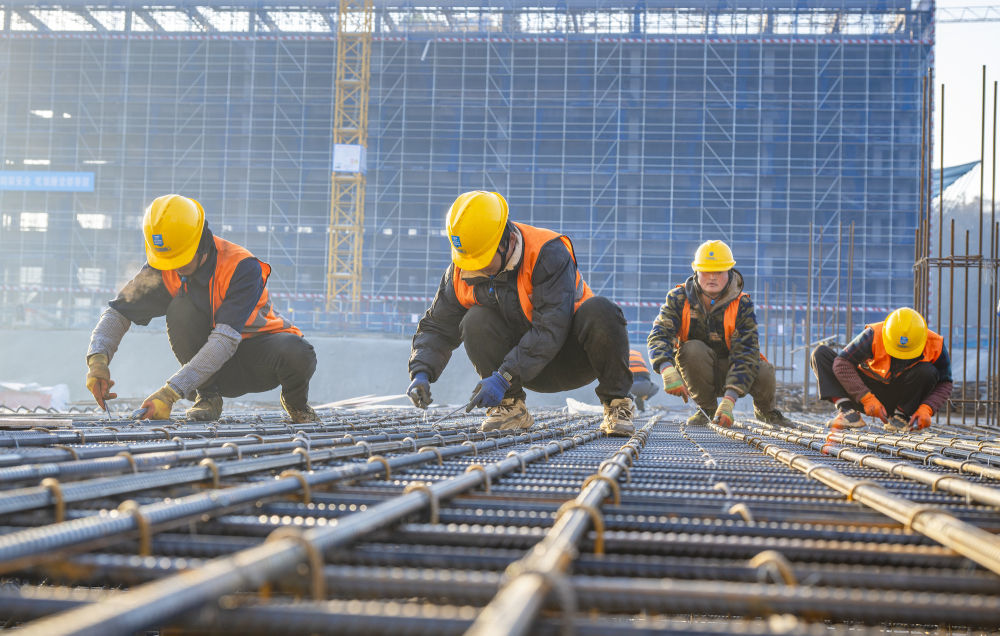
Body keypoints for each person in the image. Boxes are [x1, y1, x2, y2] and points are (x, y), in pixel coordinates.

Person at [405, 190, 635, 436]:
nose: (477, 268)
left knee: (601, 310)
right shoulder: (462, 270)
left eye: (483, 259)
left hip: (574, 359)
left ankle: (617, 405)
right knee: (475, 320)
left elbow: (550, 329)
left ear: (505, 241)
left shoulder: (547, 253)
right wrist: (421, 372)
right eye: (470, 261)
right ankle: (510, 407)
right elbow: (438, 326)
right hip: (519, 373)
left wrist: (503, 377)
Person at [85, 194, 318, 423]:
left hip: (257, 361)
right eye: (169, 262)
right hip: (210, 373)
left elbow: (225, 340)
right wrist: (97, 361)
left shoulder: (241, 267)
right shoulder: (164, 265)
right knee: (181, 310)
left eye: (181, 260)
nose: (175, 268)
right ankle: (208, 397)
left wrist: (170, 393)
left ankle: (297, 406)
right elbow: (118, 312)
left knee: (298, 352)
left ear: (201, 243)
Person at [647, 240, 787, 427]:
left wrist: (729, 399)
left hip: (733, 370)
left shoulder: (742, 304)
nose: (712, 277)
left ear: (729, 272)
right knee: (692, 349)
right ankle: (707, 409)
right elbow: (659, 334)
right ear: (696, 271)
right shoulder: (679, 298)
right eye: (706, 271)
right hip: (697, 370)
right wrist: (666, 368)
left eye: (718, 272)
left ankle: (766, 412)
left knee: (763, 370)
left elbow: (746, 353)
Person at [810, 307, 952, 431]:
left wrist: (927, 408)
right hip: (863, 390)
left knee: (928, 371)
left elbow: (945, 382)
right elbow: (842, 363)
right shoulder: (874, 334)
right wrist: (865, 397)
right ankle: (848, 412)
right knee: (821, 354)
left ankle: (900, 416)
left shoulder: (935, 344)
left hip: (900, 397)